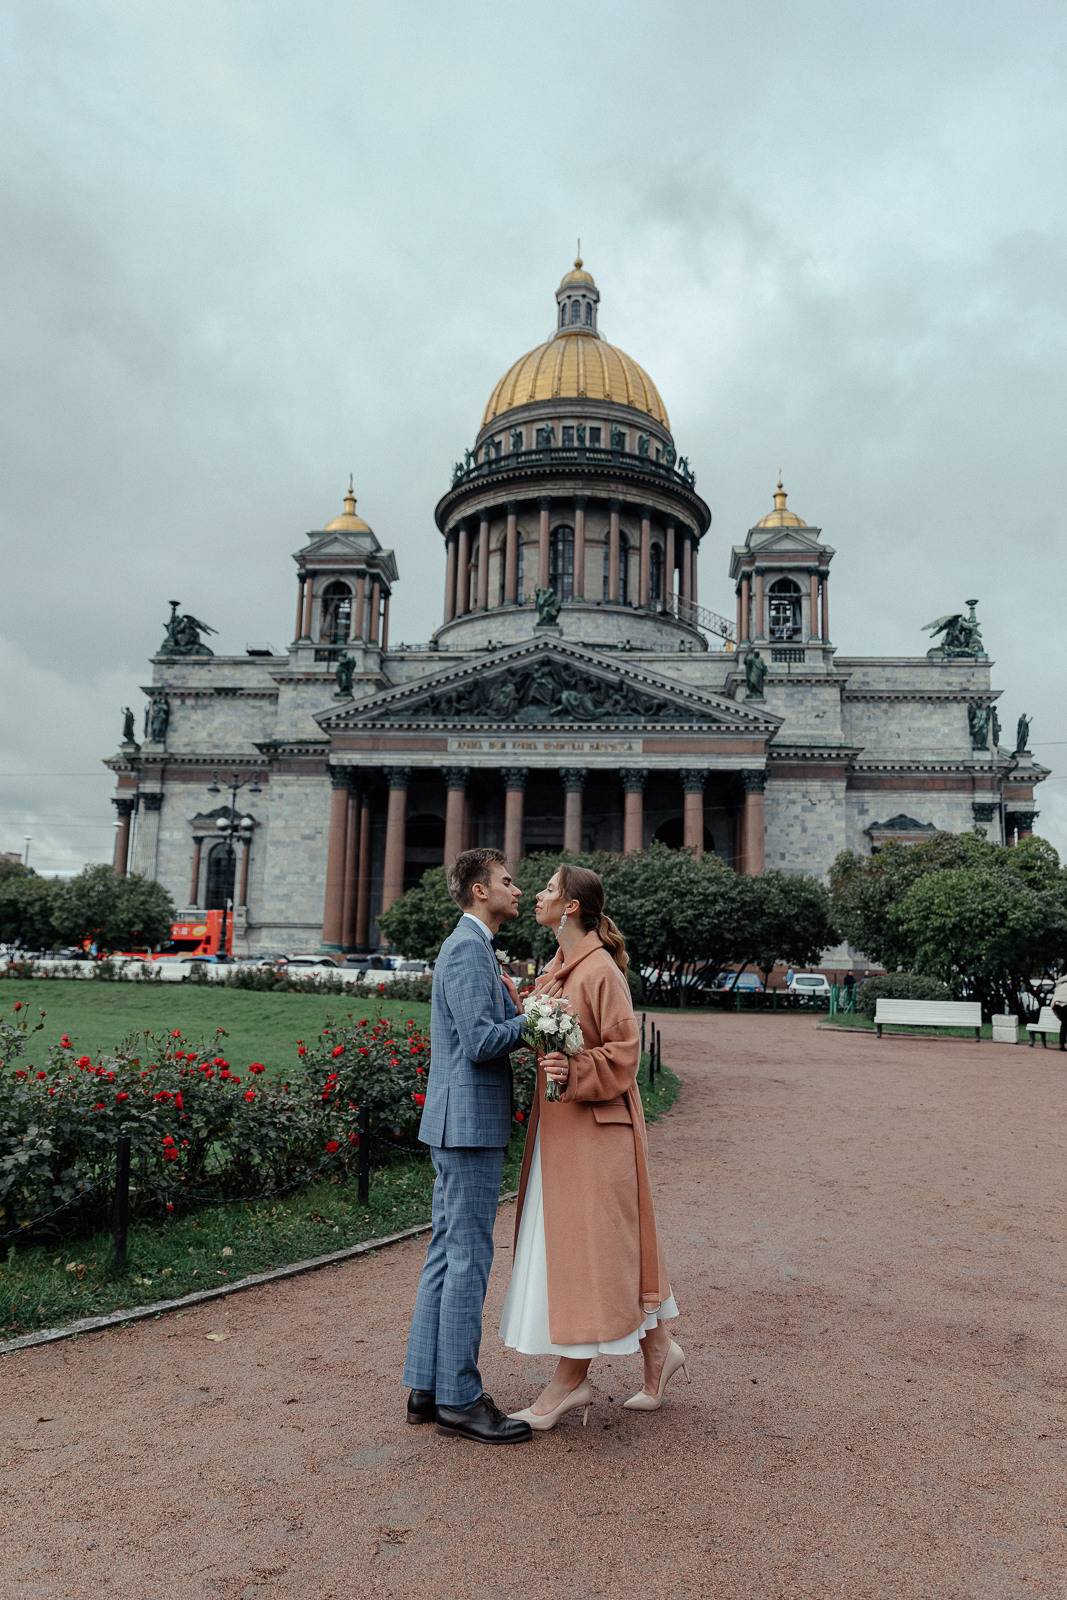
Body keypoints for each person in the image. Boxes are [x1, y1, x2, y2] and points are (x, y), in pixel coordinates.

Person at [499, 864, 684, 1430]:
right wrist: (519, 1005)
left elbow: (625, 1054)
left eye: (549, 890)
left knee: (588, 1251)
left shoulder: (600, 969)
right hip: (564, 1133)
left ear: (572, 906)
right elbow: (550, 1032)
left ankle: (568, 1383)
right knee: (601, 1248)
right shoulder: (558, 969)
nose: (538, 895)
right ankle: (659, 1350)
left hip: (596, 1133)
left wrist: (574, 1069)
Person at [403, 848, 533, 1445]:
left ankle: (427, 1388)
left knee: (446, 1253)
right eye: (507, 881)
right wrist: (538, 1021)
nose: (516, 889)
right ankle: (458, 1397)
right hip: (467, 1124)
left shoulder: (474, 947)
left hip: (460, 1121)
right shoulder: (466, 949)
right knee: (468, 1259)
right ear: (481, 890)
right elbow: (480, 1043)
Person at [1051, 971, 1067, 1051]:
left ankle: (1061, 1044)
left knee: (1064, 1025)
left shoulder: (1060, 984)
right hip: (1065, 1005)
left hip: (1058, 1005)